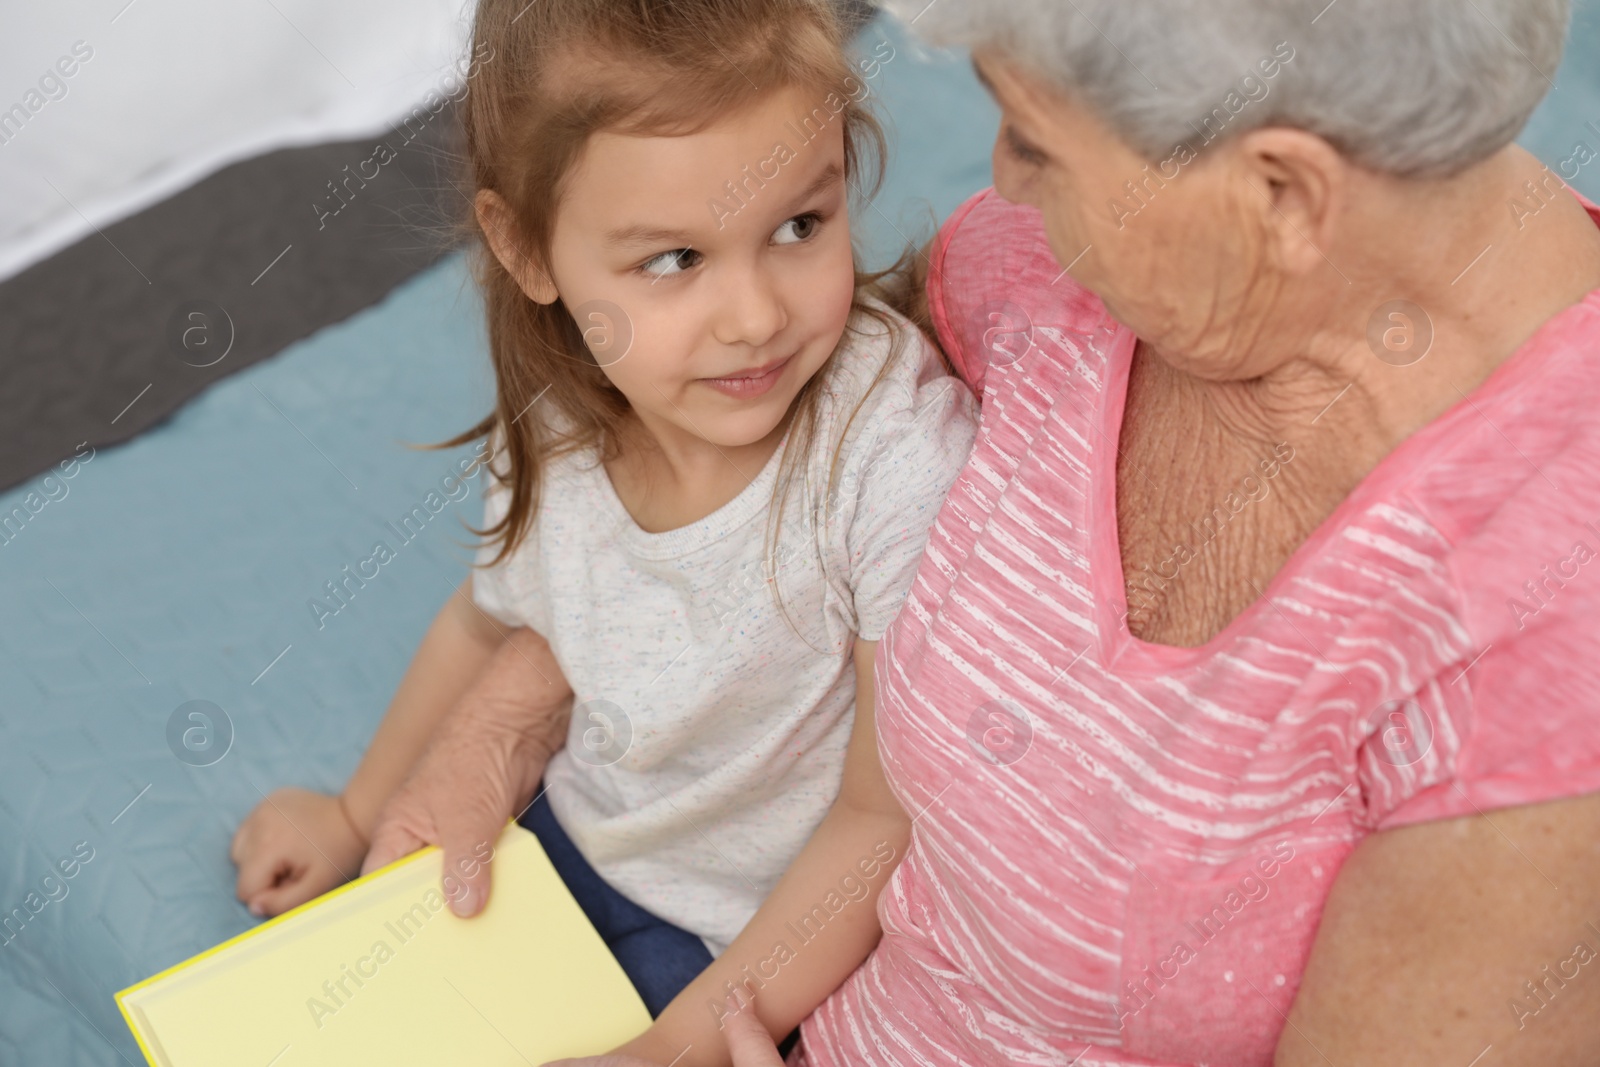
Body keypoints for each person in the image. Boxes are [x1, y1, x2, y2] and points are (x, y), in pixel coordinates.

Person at [377, 1, 1600, 1065]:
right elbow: (721, 474)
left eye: (1036, 139)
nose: (999, 178)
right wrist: (514, 698)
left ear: (1278, 196)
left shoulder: (1539, 663)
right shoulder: (1035, 276)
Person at [227, 0, 977, 1055]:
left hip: (742, 942)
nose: (754, 314)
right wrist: (354, 812)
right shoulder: (562, 428)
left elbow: (882, 813)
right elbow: (484, 626)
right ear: (528, 250)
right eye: (674, 259)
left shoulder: (891, 456)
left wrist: (701, 1031)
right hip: (557, 854)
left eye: (799, 226)